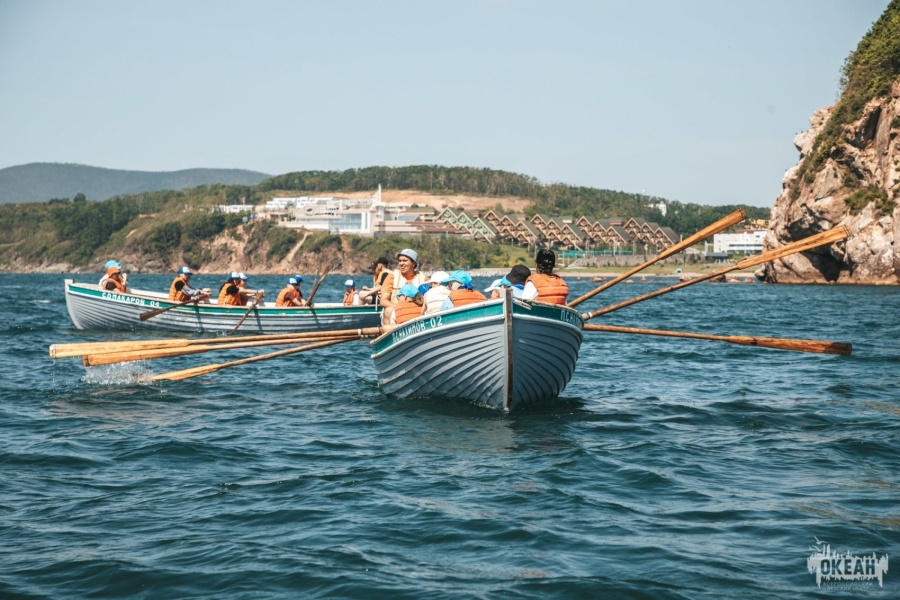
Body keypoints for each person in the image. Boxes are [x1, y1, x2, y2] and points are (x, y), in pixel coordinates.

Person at [381, 249, 427, 324]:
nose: (401, 264)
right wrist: (402, 308)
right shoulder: (392, 277)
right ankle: (388, 330)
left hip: (418, 312)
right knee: (388, 311)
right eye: (400, 261)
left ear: (414, 263)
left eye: (405, 261)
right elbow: (383, 301)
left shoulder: (423, 278)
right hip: (396, 311)